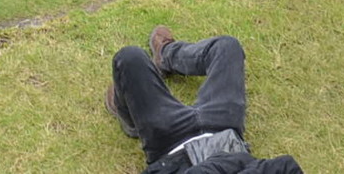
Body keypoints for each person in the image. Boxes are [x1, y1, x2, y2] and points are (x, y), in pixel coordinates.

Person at [105, 28, 303, 173]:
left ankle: (131, 120)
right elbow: (286, 166)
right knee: (227, 46)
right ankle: (166, 55)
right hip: (223, 130)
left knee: (129, 58)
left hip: (170, 142)